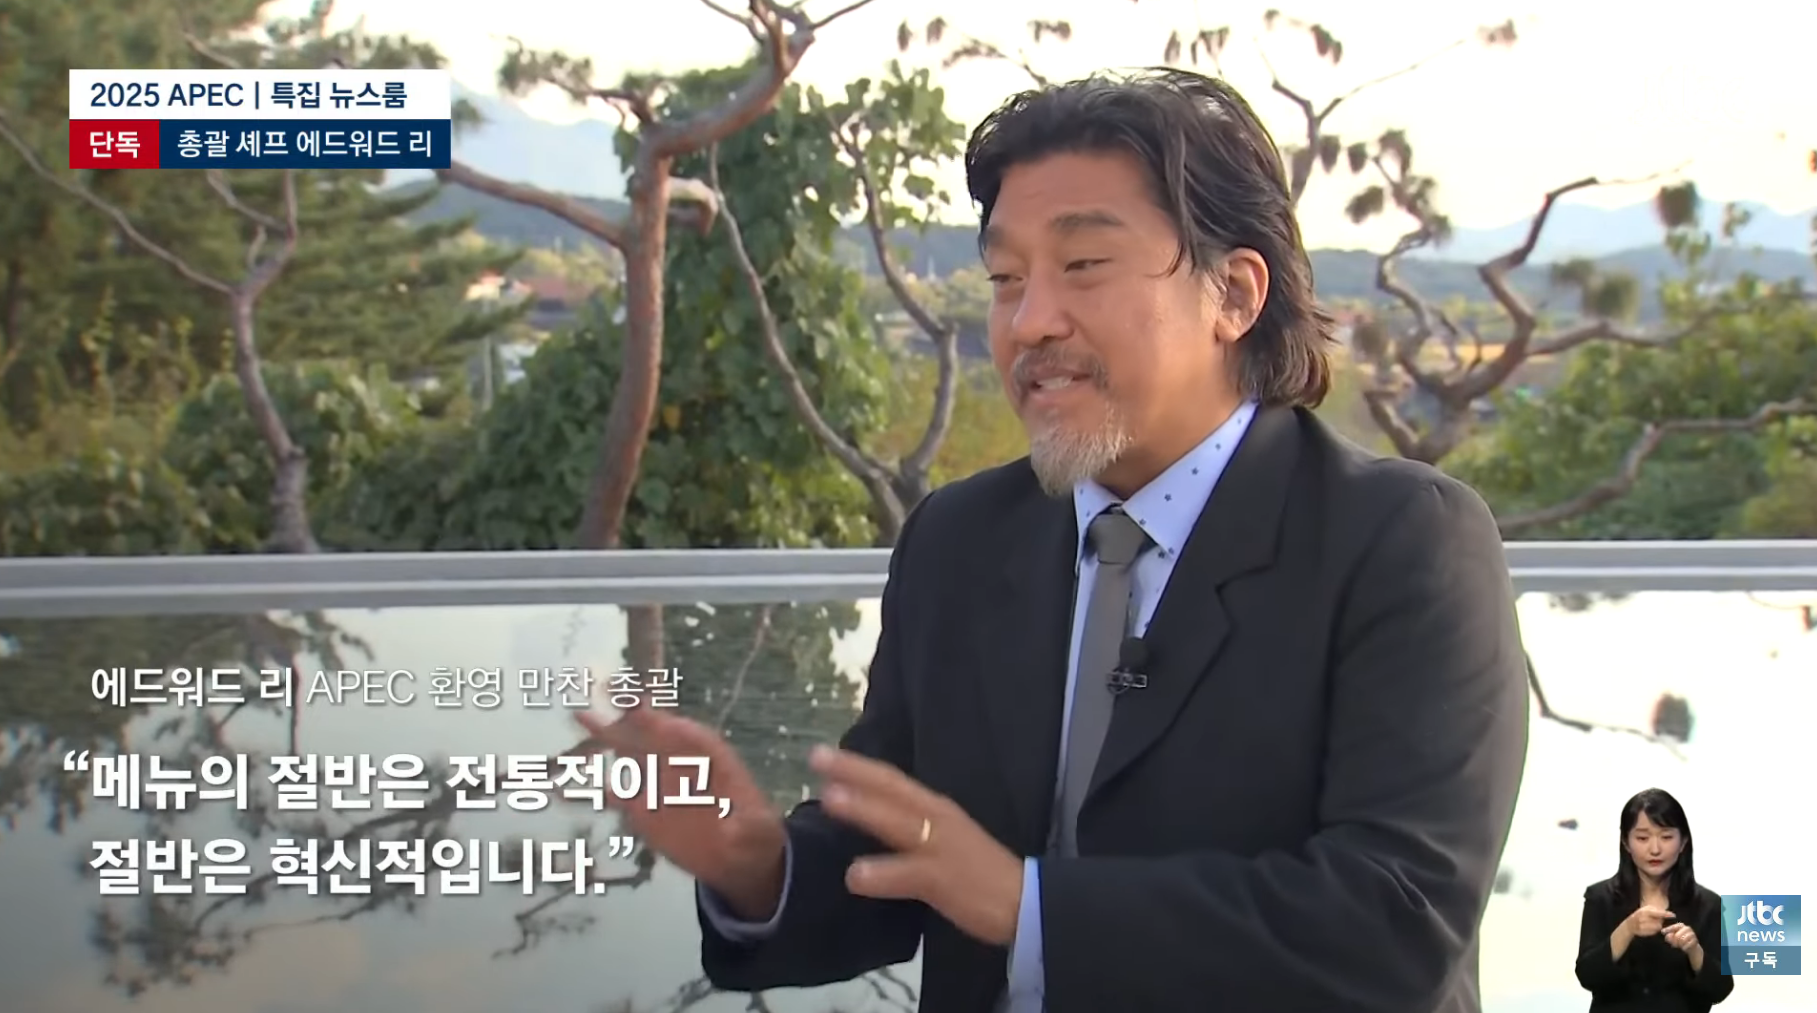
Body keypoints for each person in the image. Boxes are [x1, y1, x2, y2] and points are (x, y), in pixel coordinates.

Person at [574, 68, 1530, 1012]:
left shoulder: (1402, 542)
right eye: (1004, 279)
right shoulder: (957, 539)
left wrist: (1024, 906)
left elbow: (1392, 920)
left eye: (1083, 266)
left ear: (1234, 295)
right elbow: (901, 851)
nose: (1029, 322)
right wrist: (755, 862)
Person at [1575, 788, 1735, 1012]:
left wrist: (1694, 951)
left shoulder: (1708, 905)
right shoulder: (1600, 897)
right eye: (1642, 838)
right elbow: (1587, 975)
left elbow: (1721, 989)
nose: (1655, 849)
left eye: (1666, 837)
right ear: (1626, 842)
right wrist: (1627, 930)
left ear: (1683, 842)